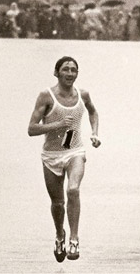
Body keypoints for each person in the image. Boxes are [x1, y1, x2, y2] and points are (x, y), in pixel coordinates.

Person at [27, 56, 100, 262]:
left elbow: (93, 112)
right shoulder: (46, 96)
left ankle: (74, 239)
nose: (70, 73)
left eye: (73, 70)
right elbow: (31, 129)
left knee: (73, 190)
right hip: (51, 155)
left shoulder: (83, 94)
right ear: (56, 73)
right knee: (58, 203)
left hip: (74, 151)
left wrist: (95, 133)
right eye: (65, 69)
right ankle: (60, 235)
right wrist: (57, 124)